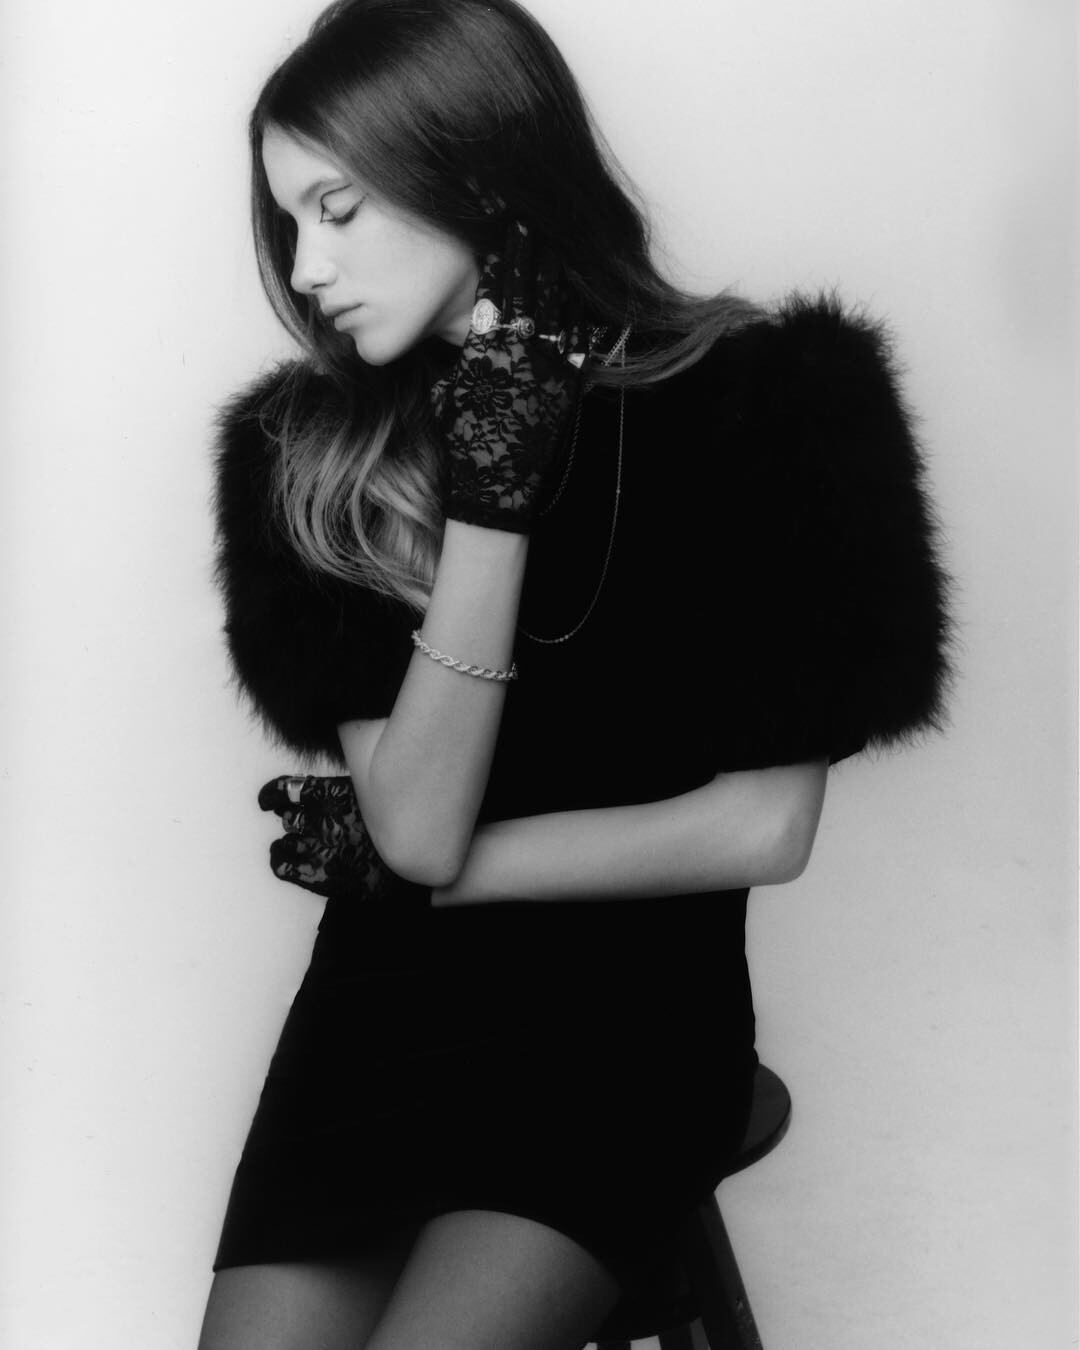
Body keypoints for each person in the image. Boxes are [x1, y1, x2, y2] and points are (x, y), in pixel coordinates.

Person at [197, 1, 954, 1346]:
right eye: (289, 220)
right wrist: (491, 497)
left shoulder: (781, 402)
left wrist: (424, 876)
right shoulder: (309, 457)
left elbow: (762, 828)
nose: (306, 268)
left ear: (478, 171)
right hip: (381, 1020)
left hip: (630, 1022)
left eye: (338, 209)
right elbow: (419, 822)